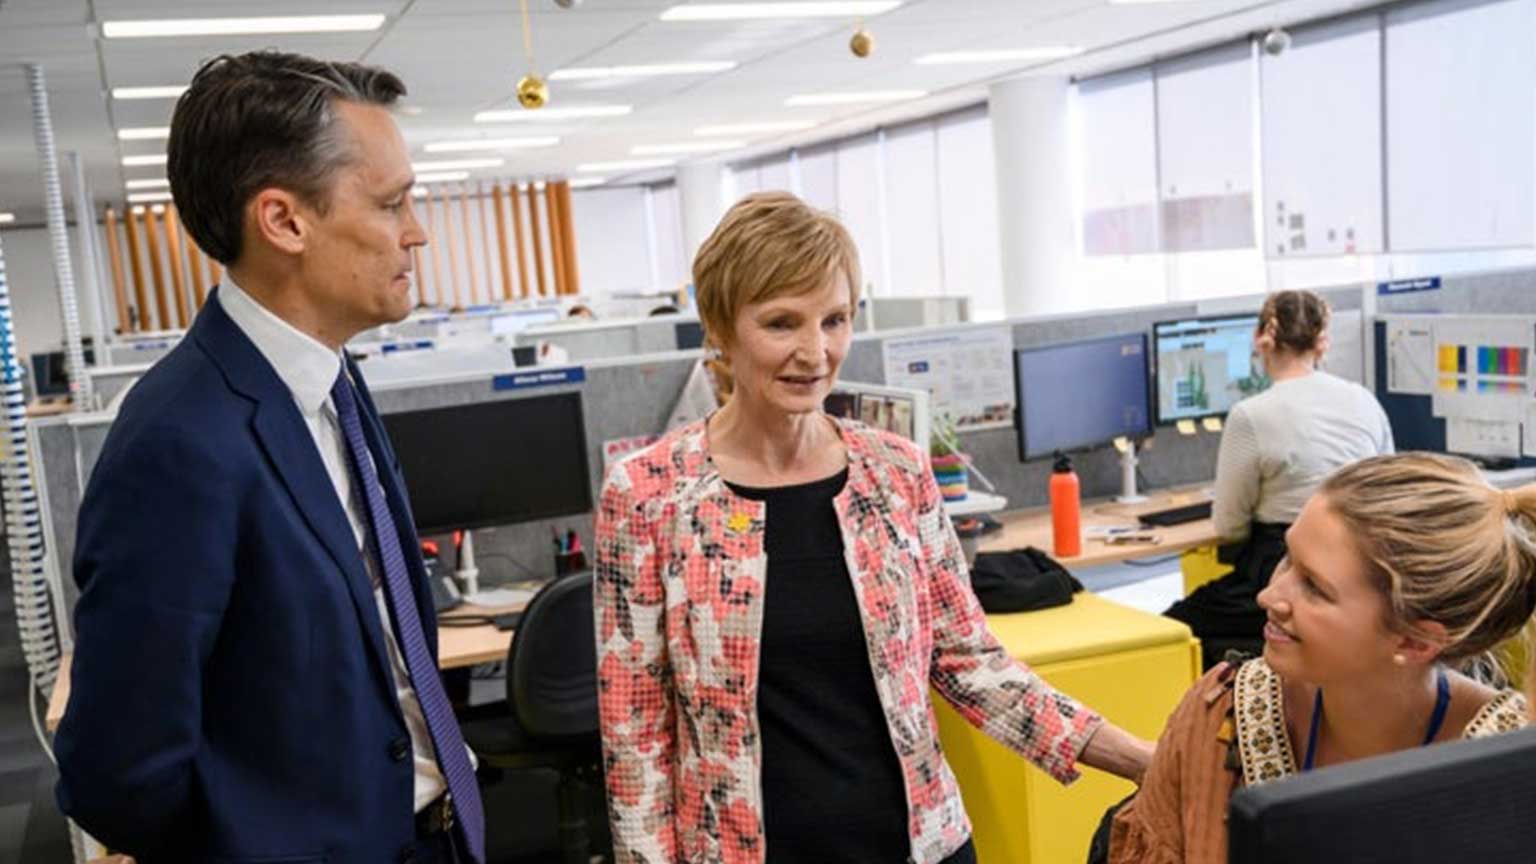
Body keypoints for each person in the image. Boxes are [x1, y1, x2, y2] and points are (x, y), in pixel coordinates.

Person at [594, 192, 1154, 864]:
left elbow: (970, 662)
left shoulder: (894, 473)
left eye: (835, 320)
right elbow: (635, 736)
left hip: (920, 846)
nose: (816, 351)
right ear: (720, 326)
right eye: (781, 323)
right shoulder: (651, 495)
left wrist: (1141, 759)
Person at [54, 52, 484, 864]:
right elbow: (116, 770)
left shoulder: (332, 379)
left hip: (428, 833)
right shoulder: (179, 442)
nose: (417, 230)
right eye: (392, 204)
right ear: (284, 221)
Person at [1109, 453, 1533, 864]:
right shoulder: (1222, 712)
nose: (1268, 596)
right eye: (1287, 559)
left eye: (1313, 587)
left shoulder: (1512, 769)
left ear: (1415, 643)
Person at [1166, 290, 1393, 668]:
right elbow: (1388, 489)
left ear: (1261, 340)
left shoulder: (1252, 414)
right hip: (1363, 569)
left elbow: (1229, 525)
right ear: (1323, 342)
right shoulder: (1362, 399)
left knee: (1172, 629)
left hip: (1285, 568)